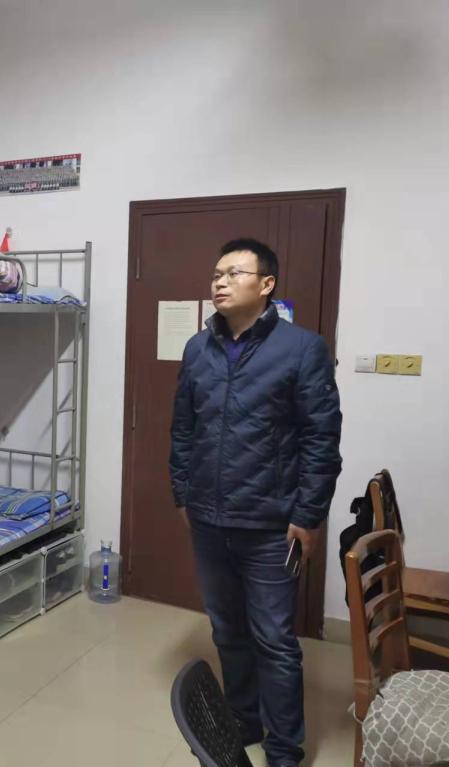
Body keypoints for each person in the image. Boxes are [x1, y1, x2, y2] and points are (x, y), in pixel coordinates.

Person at [168, 238, 342, 766]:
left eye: (234, 273)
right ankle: (243, 718)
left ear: (266, 285)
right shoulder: (198, 348)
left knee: (274, 640)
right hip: (209, 519)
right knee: (227, 630)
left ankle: (284, 748)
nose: (220, 282)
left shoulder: (302, 349)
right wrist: (183, 491)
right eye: (216, 274)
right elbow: (183, 428)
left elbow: (321, 440)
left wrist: (308, 516)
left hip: (271, 526)